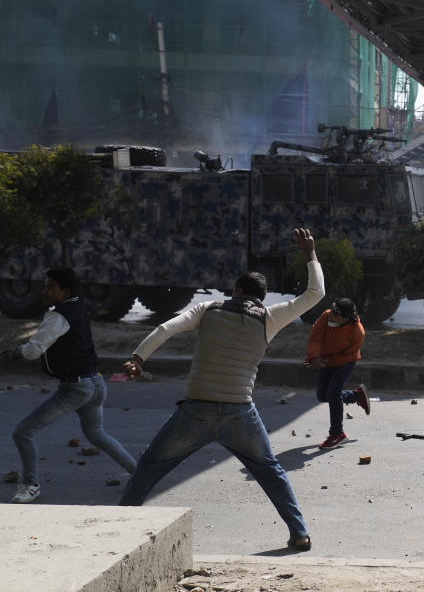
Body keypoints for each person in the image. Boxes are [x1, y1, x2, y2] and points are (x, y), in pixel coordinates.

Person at [118, 228, 324, 552]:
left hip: (195, 411)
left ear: (236, 289)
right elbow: (315, 294)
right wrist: (310, 252)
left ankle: (118, 526)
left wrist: (137, 358)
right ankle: (299, 532)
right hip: (240, 413)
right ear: (261, 296)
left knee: (150, 467)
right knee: (271, 472)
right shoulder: (270, 317)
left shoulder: (208, 309)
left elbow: (165, 328)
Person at [2, 268, 137, 503]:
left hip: (76, 389)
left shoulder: (58, 316)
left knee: (23, 432)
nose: (44, 291)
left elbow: (33, 351)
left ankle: (30, 484)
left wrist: (13, 353)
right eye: (45, 286)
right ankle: (140, 474)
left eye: (50, 287)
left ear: (65, 291)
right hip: (95, 382)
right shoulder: (77, 307)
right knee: (96, 434)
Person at [304, 297, 369, 449]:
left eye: (336, 316)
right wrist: (313, 357)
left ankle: (337, 434)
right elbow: (314, 338)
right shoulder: (325, 316)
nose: (332, 317)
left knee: (333, 392)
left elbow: (348, 355)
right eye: (332, 313)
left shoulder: (358, 332)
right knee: (322, 396)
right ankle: (357, 395)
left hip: (345, 361)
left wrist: (326, 362)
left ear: (346, 318)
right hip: (325, 359)